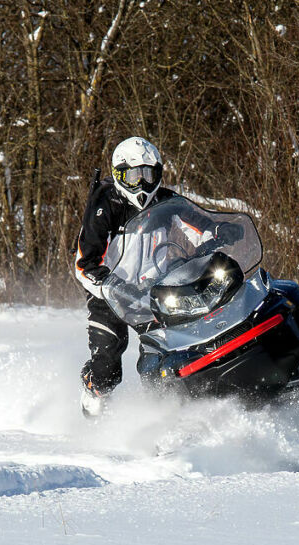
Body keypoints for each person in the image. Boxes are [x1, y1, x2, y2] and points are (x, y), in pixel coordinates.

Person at [74, 136, 242, 417]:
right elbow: (84, 263)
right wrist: (109, 284)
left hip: (154, 293)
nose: (142, 183)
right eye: (134, 175)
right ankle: (94, 391)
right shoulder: (105, 205)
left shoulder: (167, 202)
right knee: (107, 366)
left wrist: (221, 230)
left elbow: (200, 224)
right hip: (109, 293)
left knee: (167, 356)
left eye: (148, 174)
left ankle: (164, 414)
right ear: (119, 174)